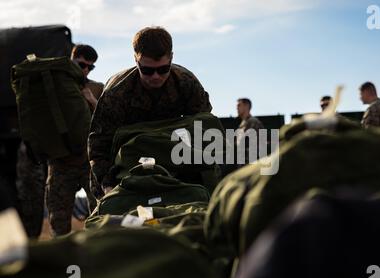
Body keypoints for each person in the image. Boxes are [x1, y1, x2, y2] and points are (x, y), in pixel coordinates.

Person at [88, 27, 213, 198]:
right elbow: (99, 143)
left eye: (163, 69)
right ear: (136, 60)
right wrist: (107, 184)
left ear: (171, 58)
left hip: (174, 163)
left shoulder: (186, 83)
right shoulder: (117, 92)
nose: (155, 76)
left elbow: (204, 127)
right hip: (125, 166)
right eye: (147, 70)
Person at [16, 44, 103, 237]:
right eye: (82, 64)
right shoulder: (50, 86)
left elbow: (107, 120)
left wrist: (91, 100)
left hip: (89, 163)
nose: (86, 70)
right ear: (71, 60)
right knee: (58, 223)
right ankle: (62, 263)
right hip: (59, 164)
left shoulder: (96, 88)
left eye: (91, 67)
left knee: (99, 217)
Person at [235, 98, 265, 166]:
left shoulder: (253, 122)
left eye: (239, 105)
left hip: (251, 165)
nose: (237, 108)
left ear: (246, 106)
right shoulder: (242, 124)